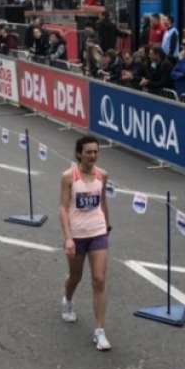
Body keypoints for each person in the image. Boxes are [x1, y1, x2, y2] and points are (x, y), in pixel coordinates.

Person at [60, 136, 112, 352]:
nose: (93, 156)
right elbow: (63, 208)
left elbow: (103, 202)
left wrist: (107, 225)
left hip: (98, 232)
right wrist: (68, 237)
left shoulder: (102, 175)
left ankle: (99, 331)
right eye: (88, 152)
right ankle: (68, 300)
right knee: (75, 277)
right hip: (77, 235)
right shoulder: (68, 177)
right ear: (79, 153)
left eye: (95, 152)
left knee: (99, 280)